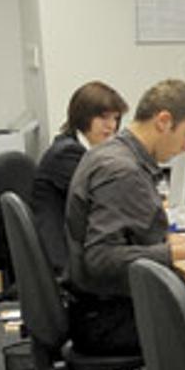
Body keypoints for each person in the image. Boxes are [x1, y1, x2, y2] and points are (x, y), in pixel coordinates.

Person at [64, 79, 185, 356]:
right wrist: (179, 251)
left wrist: (179, 243)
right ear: (163, 121)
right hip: (109, 319)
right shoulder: (122, 171)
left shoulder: (112, 154)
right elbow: (101, 259)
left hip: (100, 309)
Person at [34, 81, 127, 271]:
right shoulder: (67, 155)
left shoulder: (81, 150)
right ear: (83, 117)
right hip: (66, 264)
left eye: (115, 119)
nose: (111, 126)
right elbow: (105, 198)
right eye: (104, 118)